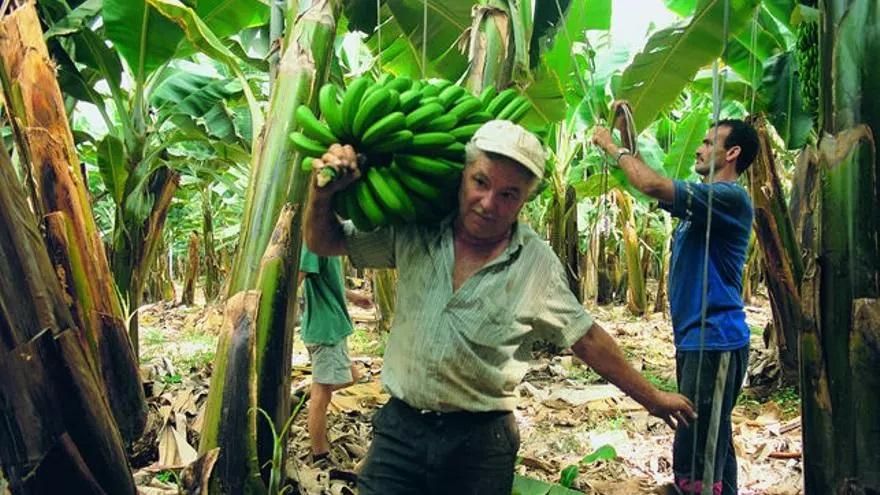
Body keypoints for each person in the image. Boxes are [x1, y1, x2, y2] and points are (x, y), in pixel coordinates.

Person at [303, 119, 696, 495]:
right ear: (463, 176)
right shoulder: (415, 228)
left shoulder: (535, 263)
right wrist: (322, 193)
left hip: (480, 443)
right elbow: (326, 242)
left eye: (508, 194)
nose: (488, 203)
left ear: (524, 200)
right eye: (480, 182)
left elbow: (586, 337)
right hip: (400, 431)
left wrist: (652, 397)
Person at [593, 115, 758, 495]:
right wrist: (627, 134)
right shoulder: (702, 204)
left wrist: (611, 146)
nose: (699, 148)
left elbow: (651, 183)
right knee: (712, 442)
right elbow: (652, 186)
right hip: (697, 340)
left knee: (697, 449)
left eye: (707, 142)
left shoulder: (729, 199)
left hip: (716, 339)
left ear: (731, 153)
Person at [298, 245, 373, 463]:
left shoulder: (326, 244)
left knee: (353, 376)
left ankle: (304, 395)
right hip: (325, 331)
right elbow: (297, 279)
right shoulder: (313, 244)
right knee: (321, 397)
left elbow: (329, 282)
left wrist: (354, 297)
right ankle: (320, 453)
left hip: (333, 328)